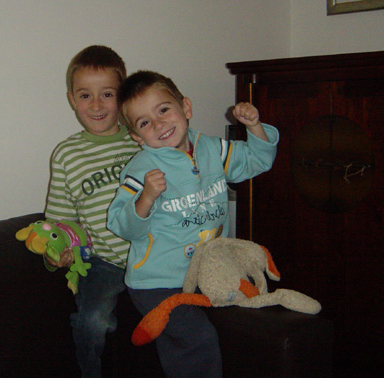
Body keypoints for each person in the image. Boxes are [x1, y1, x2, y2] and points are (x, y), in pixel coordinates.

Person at [107, 70, 279, 378]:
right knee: (197, 340)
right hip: (157, 282)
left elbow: (257, 160)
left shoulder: (211, 148)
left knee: (251, 320)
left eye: (163, 110)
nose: (159, 124)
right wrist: (146, 197)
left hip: (206, 271)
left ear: (185, 108)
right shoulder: (142, 169)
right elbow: (122, 226)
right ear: (136, 136)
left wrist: (254, 126)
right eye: (145, 122)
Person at [44, 45, 141, 378]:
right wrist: (58, 253)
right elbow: (59, 222)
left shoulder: (141, 140)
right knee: (93, 320)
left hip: (153, 253)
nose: (96, 105)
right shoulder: (67, 155)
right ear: (72, 99)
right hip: (103, 260)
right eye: (86, 95)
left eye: (107, 94)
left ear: (122, 96)